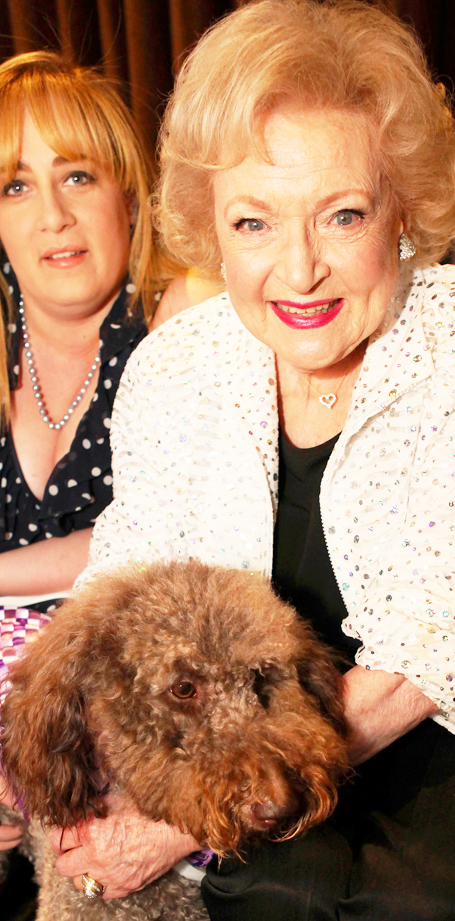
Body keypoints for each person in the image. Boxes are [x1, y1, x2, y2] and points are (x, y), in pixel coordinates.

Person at [44, 2, 455, 919]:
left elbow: (448, 643)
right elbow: (125, 588)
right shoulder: (174, 369)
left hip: (444, 716)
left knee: (427, 900)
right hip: (229, 722)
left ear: (402, 211)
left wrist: (187, 822)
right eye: (253, 223)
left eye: (342, 215)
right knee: (264, 888)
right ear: (211, 227)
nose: (299, 270)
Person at [0, 50, 186, 861]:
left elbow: (158, 537)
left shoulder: (182, 317)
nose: (53, 214)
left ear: (128, 195)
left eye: (77, 175)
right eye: (15, 186)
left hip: (126, 687)